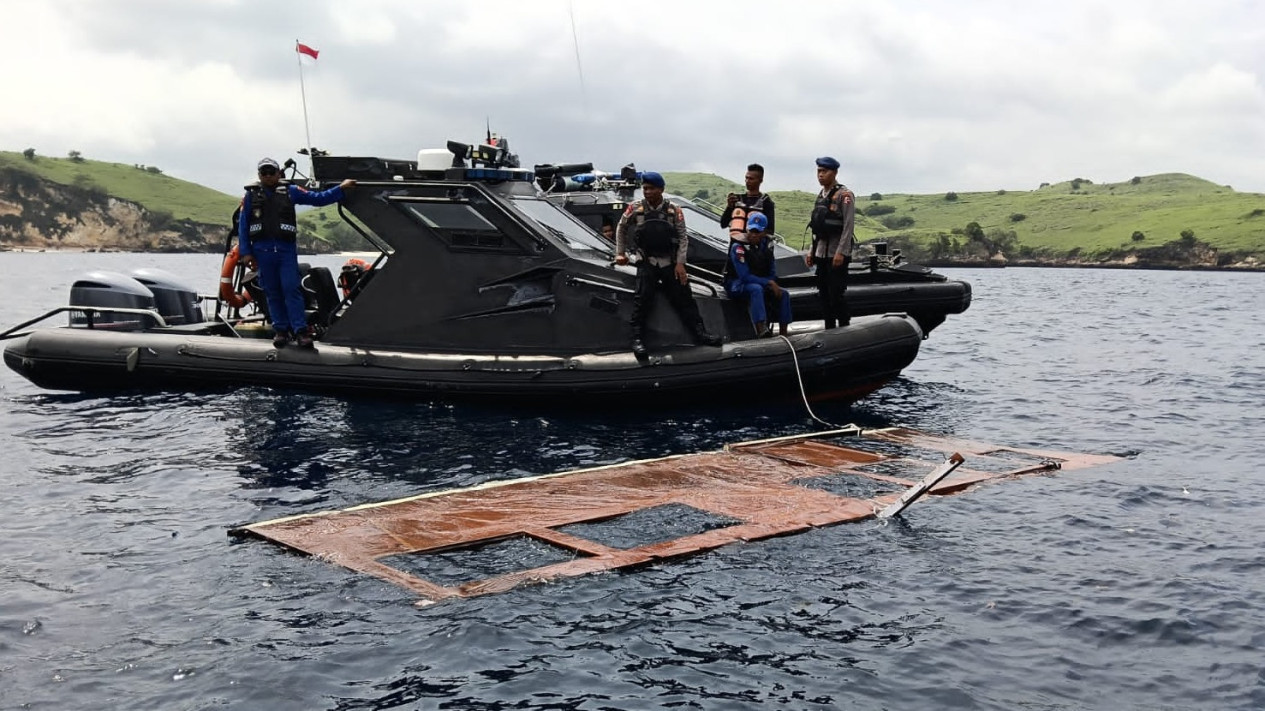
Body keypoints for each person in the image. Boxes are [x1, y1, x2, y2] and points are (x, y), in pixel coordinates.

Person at [238, 157, 356, 348]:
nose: (268, 176)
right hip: (262, 251)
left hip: (285, 252)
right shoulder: (250, 197)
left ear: (279, 173)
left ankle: (301, 330)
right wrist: (246, 252)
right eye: (264, 173)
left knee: (291, 289)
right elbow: (243, 227)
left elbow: (318, 199)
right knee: (272, 291)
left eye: (271, 172)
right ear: (259, 175)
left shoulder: (291, 192)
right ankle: (281, 330)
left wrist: (340, 189)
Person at [615, 171, 722, 357]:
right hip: (646, 260)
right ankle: (637, 339)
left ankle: (700, 333)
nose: (647, 192)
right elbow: (621, 227)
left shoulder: (673, 210)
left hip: (669, 262)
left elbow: (683, 237)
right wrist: (620, 252)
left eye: (651, 188)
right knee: (642, 299)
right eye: (645, 188)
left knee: (684, 299)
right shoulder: (635, 208)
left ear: (661, 189)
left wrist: (680, 263)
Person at [805, 156, 855, 328]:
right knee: (823, 294)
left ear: (834, 172)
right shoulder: (821, 196)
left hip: (836, 252)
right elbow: (816, 227)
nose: (820, 175)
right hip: (821, 252)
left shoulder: (845, 195)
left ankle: (844, 324)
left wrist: (841, 252)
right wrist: (811, 251)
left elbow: (848, 226)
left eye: (824, 172)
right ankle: (829, 326)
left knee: (836, 293)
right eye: (818, 171)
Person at [725, 212, 791, 338]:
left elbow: (771, 270)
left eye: (757, 232)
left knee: (784, 294)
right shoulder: (738, 247)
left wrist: (771, 282)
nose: (753, 234)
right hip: (737, 283)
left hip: (760, 280)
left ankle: (784, 331)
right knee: (756, 289)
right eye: (751, 231)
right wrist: (768, 283)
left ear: (764, 232)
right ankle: (761, 328)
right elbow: (744, 276)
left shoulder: (767, 246)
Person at [720, 163, 776, 237]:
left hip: (754, 247)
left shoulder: (766, 202)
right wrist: (729, 207)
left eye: (751, 179)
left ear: (760, 180)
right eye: (746, 178)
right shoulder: (737, 199)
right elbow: (723, 224)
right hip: (735, 244)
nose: (747, 181)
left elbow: (770, 230)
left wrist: (757, 237)